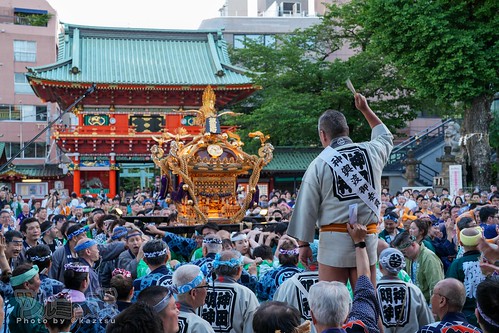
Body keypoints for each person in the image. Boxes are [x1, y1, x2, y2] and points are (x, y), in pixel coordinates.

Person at [288, 93, 393, 285]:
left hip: (333, 242)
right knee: (368, 302)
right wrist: (365, 109)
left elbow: (306, 207)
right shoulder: (372, 151)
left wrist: (303, 244)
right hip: (367, 238)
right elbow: (385, 136)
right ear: (347, 130)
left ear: (323, 134)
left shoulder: (318, 164)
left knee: (329, 305)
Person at [308, 223, 381, 333]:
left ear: (312, 317)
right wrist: (359, 241)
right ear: (347, 315)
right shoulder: (361, 326)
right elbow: (364, 281)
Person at [198, 250, 259, 333]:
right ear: (239, 270)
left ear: (215, 269)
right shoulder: (246, 294)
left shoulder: (200, 291)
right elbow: (252, 328)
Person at [376, 248, 433, 333]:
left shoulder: (372, 290)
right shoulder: (414, 290)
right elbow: (427, 324)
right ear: (402, 266)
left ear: (380, 266)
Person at [446, 227, 486, 326]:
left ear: (461, 243)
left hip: (466, 317)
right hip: (490, 314)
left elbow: (450, 290)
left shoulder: (457, 264)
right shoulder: (490, 261)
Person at [391, 230, 444, 303]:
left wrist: (432, 310)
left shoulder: (429, 258)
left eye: (403, 252)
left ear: (413, 245)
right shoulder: (409, 258)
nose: (403, 255)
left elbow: (436, 287)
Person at [416, 278, 481, 333]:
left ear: (442, 301)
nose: (431, 297)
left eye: (433, 293)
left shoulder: (428, 330)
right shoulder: (478, 331)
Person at [172, 264, 215, 333]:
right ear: (193, 293)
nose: (207, 290)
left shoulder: (165, 319)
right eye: (205, 285)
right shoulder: (199, 325)